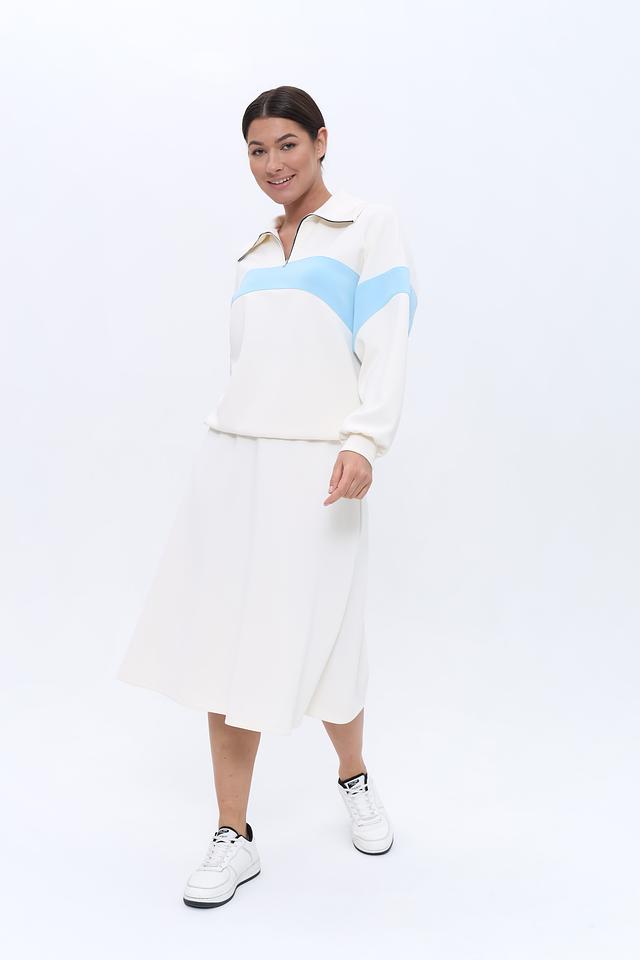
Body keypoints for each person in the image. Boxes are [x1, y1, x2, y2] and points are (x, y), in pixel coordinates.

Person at [116, 84, 418, 908]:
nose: (273, 163)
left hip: (321, 469)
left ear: (321, 141)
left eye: (287, 144)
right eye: (257, 150)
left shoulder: (367, 227)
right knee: (227, 644)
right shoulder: (251, 252)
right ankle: (234, 833)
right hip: (233, 465)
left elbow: (387, 340)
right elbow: (247, 366)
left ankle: (353, 776)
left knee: (328, 637)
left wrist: (364, 440)